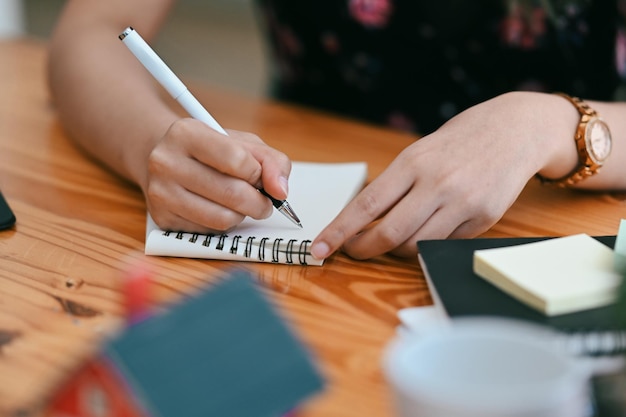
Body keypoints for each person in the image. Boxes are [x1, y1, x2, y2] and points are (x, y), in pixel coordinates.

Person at [47, 0, 626, 261]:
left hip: (565, 221)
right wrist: (152, 141)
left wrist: (550, 126)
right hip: (316, 200)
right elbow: (94, 30)